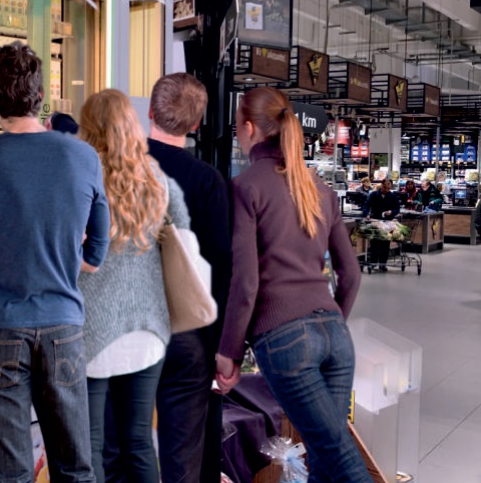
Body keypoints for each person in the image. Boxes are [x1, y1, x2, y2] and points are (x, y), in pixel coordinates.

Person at [0, 41, 110, 483]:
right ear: (41, 96)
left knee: (10, 472)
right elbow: (95, 256)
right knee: (75, 468)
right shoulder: (83, 157)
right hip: (63, 327)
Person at [215, 87, 368, 483]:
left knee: (342, 460)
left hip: (285, 339)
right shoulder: (319, 188)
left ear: (248, 129)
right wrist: (331, 322)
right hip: (336, 336)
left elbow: (246, 283)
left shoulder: (246, 187)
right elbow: (350, 274)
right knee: (323, 458)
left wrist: (229, 351)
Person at [77, 89, 190, 483]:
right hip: (148, 330)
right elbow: (183, 239)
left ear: (89, 128)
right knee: (138, 441)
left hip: (92, 332)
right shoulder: (156, 178)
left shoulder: (80, 177)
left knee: (89, 446)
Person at [146, 73, 232, 483]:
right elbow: (220, 268)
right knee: (182, 461)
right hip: (186, 337)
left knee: (119, 449)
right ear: (196, 125)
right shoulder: (207, 181)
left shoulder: (114, 169)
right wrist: (220, 349)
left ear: (149, 112)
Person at [363, 179, 401, 272]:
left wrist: (391, 212)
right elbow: (366, 206)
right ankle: (373, 263)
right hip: (375, 220)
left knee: (385, 243)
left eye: (389, 188)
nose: (387, 190)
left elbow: (397, 209)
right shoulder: (374, 195)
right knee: (374, 243)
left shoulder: (393, 196)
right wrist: (367, 214)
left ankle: (383, 264)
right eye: (385, 187)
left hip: (387, 222)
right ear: (382, 185)